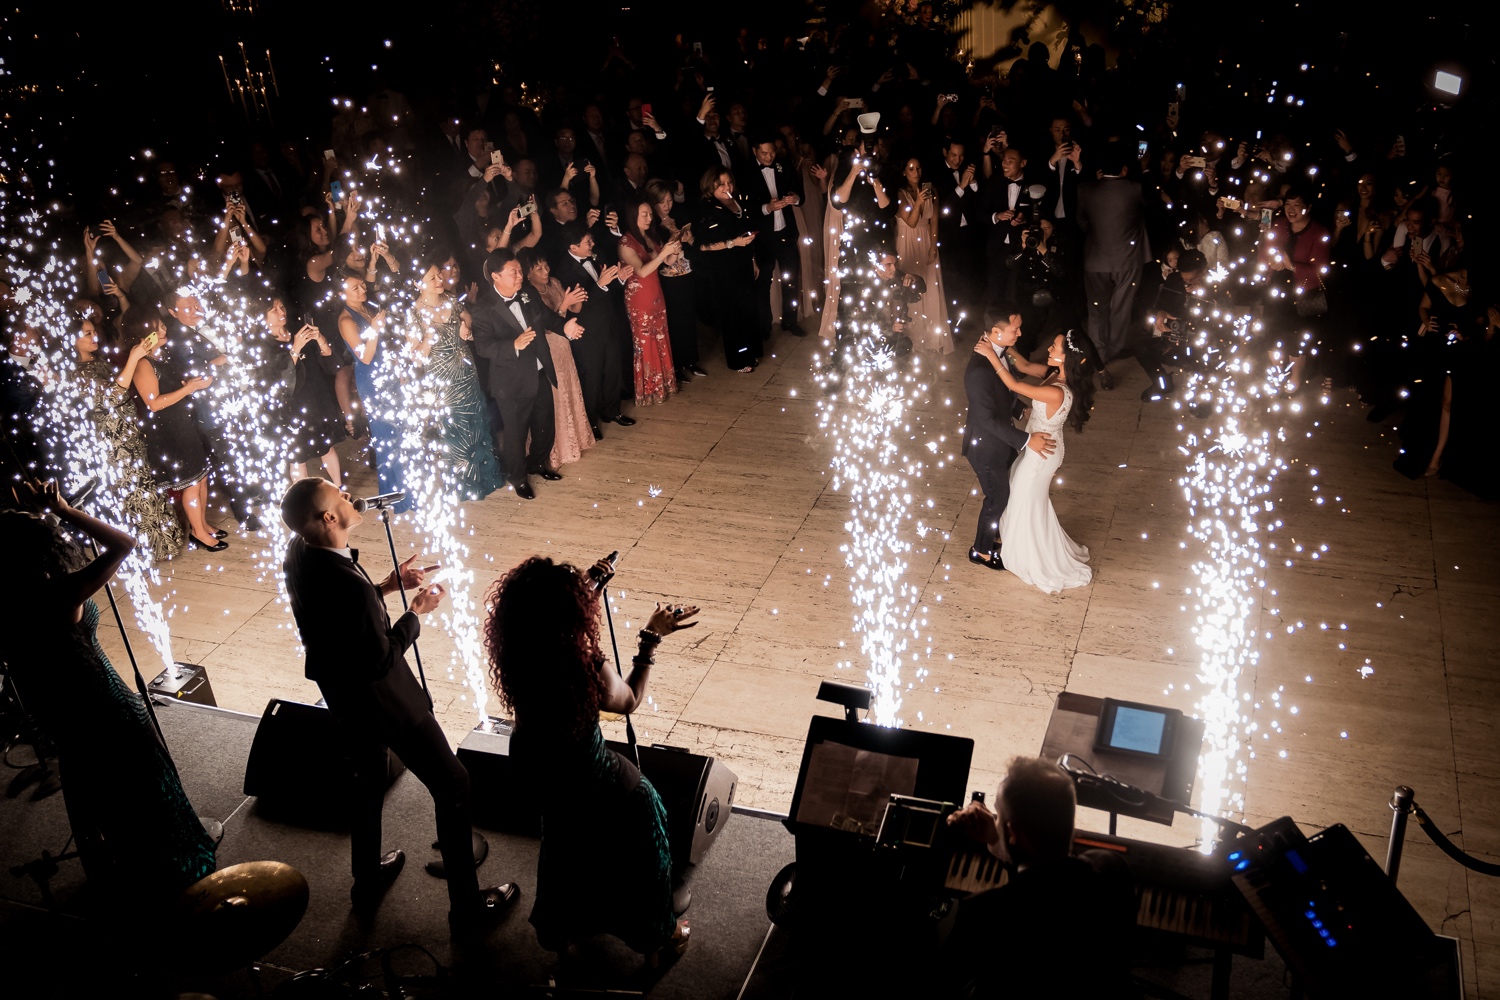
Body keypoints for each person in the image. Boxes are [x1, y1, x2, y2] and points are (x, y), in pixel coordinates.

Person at [279, 477, 518, 931]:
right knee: (453, 783)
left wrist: (385, 586)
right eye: (340, 496)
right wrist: (416, 611)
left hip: (343, 696)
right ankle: (466, 910)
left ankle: (365, 880)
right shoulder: (345, 585)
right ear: (329, 517)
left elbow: (340, 618)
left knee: (368, 779)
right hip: (384, 701)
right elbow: (380, 657)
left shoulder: (298, 551)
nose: (351, 496)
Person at [1, 481, 216, 906]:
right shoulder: (58, 594)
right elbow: (123, 542)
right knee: (146, 786)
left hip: (64, 712)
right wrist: (63, 510)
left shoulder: (9, 602)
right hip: (104, 701)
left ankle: (132, 874)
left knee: (105, 792)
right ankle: (177, 872)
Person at [484, 554, 696, 960]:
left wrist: (591, 586)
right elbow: (628, 699)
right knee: (643, 812)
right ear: (571, 613)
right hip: (588, 774)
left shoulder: (520, 645)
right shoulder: (581, 662)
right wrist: (651, 639)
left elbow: (548, 617)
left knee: (565, 840)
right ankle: (660, 935)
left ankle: (562, 933)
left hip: (538, 767)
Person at [942, 756, 1135, 998]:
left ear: (1012, 832)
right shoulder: (1112, 869)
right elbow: (1042, 882)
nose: (994, 819)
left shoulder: (981, 913)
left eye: (998, 816)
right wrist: (996, 837)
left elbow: (943, 981)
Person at [977, 330, 1096, 593]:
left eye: (1054, 347)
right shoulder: (1055, 373)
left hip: (1041, 454)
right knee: (1023, 498)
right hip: (1036, 447)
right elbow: (1025, 366)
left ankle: (1032, 556)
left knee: (1024, 500)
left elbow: (1014, 385)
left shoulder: (1059, 391)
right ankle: (1027, 543)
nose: (1049, 350)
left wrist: (990, 356)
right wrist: (1003, 346)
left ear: (1067, 357)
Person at [469, 247, 581, 499]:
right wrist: (513, 345)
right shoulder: (484, 308)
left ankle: (537, 463)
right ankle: (518, 477)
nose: (520, 276)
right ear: (496, 276)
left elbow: (547, 319)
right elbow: (483, 346)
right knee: (516, 433)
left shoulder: (528, 293)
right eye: (513, 272)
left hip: (540, 370)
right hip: (511, 381)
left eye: (520, 270)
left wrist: (565, 326)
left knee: (544, 424)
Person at [73, 311, 184, 562]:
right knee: (134, 494)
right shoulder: (79, 372)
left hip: (128, 433)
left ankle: (161, 544)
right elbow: (111, 395)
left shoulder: (96, 360)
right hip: (114, 443)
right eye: (87, 333)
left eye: (93, 331)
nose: (94, 336)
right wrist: (134, 358)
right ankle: (143, 550)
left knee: (146, 489)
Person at [962, 308, 1056, 571]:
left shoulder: (998, 354)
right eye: (1015, 329)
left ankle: (1000, 532)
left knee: (1011, 487)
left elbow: (1003, 392)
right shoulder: (978, 371)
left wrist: (1020, 410)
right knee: (997, 497)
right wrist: (1027, 440)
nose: (1020, 333)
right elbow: (987, 419)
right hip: (986, 446)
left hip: (1002, 440)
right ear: (996, 332)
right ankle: (981, 550)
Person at [408, 251, 504, 500]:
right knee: (452, 429)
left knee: (476, 422)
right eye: (432, 278)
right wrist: (428, 339)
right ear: (418, 284)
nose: (440, 280)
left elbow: (467, 317)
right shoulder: (414, 313)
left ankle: (486, 478)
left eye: (439, 275)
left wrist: (466, 328)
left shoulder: (450, 300)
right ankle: (462, 486)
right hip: (441, 379)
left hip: (466, 371)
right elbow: (415, 357)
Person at [123, 310, 222, 551]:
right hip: (169, 430)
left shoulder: (162, 356)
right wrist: (188, 389)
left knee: (202, 476)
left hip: (184, 422)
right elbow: (153, 403)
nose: (164, 330)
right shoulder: (142, 364)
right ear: (143, 334)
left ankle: (203, 524)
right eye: (157, 328)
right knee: (191, 481)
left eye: (163, 326)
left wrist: (192, 384)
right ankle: (198, 533)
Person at [550, 221, 635, 435]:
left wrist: (620, 280)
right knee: (592, 376)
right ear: (573, 247)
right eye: (587, 242)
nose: (592, 244)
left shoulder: (595, 256)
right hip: (587, 331)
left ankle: (612, 410)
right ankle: (590, 422)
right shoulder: (564, 270)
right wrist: (601, 285)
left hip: (608, 322)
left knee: (613, 369)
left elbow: (608, 285)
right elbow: (579, 306)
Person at [1076, 143, 1150, 387]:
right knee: (1121, 308)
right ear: (1125, 169)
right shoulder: (1135, 189)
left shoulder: (1085, 189)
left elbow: (1082, 222)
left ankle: (1099, 352)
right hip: (1128, 259)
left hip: (1096, 260)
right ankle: (1114, 348)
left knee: (1096, 309)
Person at [337, 272, 408, 511]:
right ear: (342, 294)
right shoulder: (347, 320)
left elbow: (384, 344)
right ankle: (393, 497)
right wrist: (375, 329)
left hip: (389, 374)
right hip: (372, 381)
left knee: (400, 432)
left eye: (361, 285)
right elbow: (365, 356)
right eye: (354, 288)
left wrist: (398, 365)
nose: (361, 290)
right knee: (386, 437)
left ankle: (407, 490)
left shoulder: (369, 307)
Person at [518, 247, 594, 468]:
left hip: (564, 347)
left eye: (545, 265)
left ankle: (574, 442)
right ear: (527, 273)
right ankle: (555, 450)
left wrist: (576, 297)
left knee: (569, 391)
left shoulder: (555, 283)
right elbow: (547, 328)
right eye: (538, 268)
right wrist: (563, 305)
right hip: (549, 348)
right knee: (555, 400)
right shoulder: (529, 295)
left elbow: (575, 310)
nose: (545, 270)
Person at [260, 297, 345, 487]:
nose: (281, 312)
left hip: (317, 400)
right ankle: (303, 501)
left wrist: (320, 339)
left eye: (282, 307)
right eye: (273, 310)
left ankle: (339, 489)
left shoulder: (298, 332)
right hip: (291, 411)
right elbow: (279, 383)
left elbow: (332, 365)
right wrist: (295, 348)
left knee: (327, 448)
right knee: (298, 457)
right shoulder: (263, 346)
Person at [694, 167, 762, 372]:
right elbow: (702, 245)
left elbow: (746, 232)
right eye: (721, 184)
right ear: (710, 186)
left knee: (748, 309)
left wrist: (752, 259)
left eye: (729, 182)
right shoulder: (707, 209)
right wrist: (733, 243)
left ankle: (752, 351)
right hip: (724, 268)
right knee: (733, 315)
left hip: (743, 263)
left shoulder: (738, 201)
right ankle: (739, 359)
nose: (727, 187)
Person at [617, 194, 682, 405]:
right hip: (639, 298)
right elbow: (642, 271)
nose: (648, 218)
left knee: (661, 338)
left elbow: (666, 262)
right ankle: (649, 391)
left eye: (650, 214)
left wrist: (675, 250)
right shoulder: (626, 243)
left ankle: (664, 385)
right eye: (643, 214)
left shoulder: (650, 238)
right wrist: (664, 254)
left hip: (656, 294)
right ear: (632, 215)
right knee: (645, 344)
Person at [741, 138, 806, 337]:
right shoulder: (745, 172)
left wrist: (794, 199)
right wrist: (767, 207)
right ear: (754, 150)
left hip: (786, 232)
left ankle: (790, 321)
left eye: (772, 153)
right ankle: (764, 327)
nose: (769, 157)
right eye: (764, 154)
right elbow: (745, 209)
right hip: (763, 238)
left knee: (791, 279)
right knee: (763, 283)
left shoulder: (783, 166)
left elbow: (800, 194)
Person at [647, 179, 706, 381]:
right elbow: (658, 256)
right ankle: (677, 365)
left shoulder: (678, 217)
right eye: (662, 202)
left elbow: (694, 245)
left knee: (689, 318)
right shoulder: (653, 226)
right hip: (668, 279)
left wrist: (689, 239)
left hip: (686, 273)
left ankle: (691, 360)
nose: (667, 205)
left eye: (669, 200)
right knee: (674, 321)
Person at [894, 158, 953, 354]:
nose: (915, 171)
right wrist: (918, 201)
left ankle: (930, 337)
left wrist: (933, 245)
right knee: (910, 286)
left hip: (925, 239)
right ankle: (909, 336)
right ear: (904, 172)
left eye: (918, 167)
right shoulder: (900, 194)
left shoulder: (932, 190)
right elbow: (910, 222)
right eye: (910, 168)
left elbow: (934, 220)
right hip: (907, 241)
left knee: (930, 285)